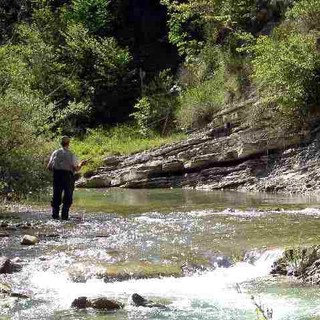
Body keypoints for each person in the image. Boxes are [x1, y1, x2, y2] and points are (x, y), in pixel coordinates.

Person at [47, 136, 87, 220]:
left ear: (61, 143)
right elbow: (76, 168)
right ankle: (64, 217)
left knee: (56, 196)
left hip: (57, 176)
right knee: (67, 197)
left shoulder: (55, 152)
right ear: (68, 144)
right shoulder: (71, 154)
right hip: (68, 177)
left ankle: (55, 216)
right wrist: (81, 164)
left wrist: (57, 169)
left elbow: (49, 167)